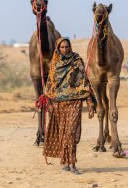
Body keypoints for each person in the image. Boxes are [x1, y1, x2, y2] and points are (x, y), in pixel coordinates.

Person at [43, 37, 95, 175]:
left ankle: (72, 164)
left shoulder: (76, 60)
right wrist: (48, 102)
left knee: (71, 133)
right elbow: (51, 84)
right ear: (58, 49)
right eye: (62, 47)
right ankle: (65, 162)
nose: (65, 49)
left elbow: (84, 81)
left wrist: (90, 103)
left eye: (67, 46)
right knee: (63, 135)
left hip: (75, 102)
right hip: (58, 104)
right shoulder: (55, 63)